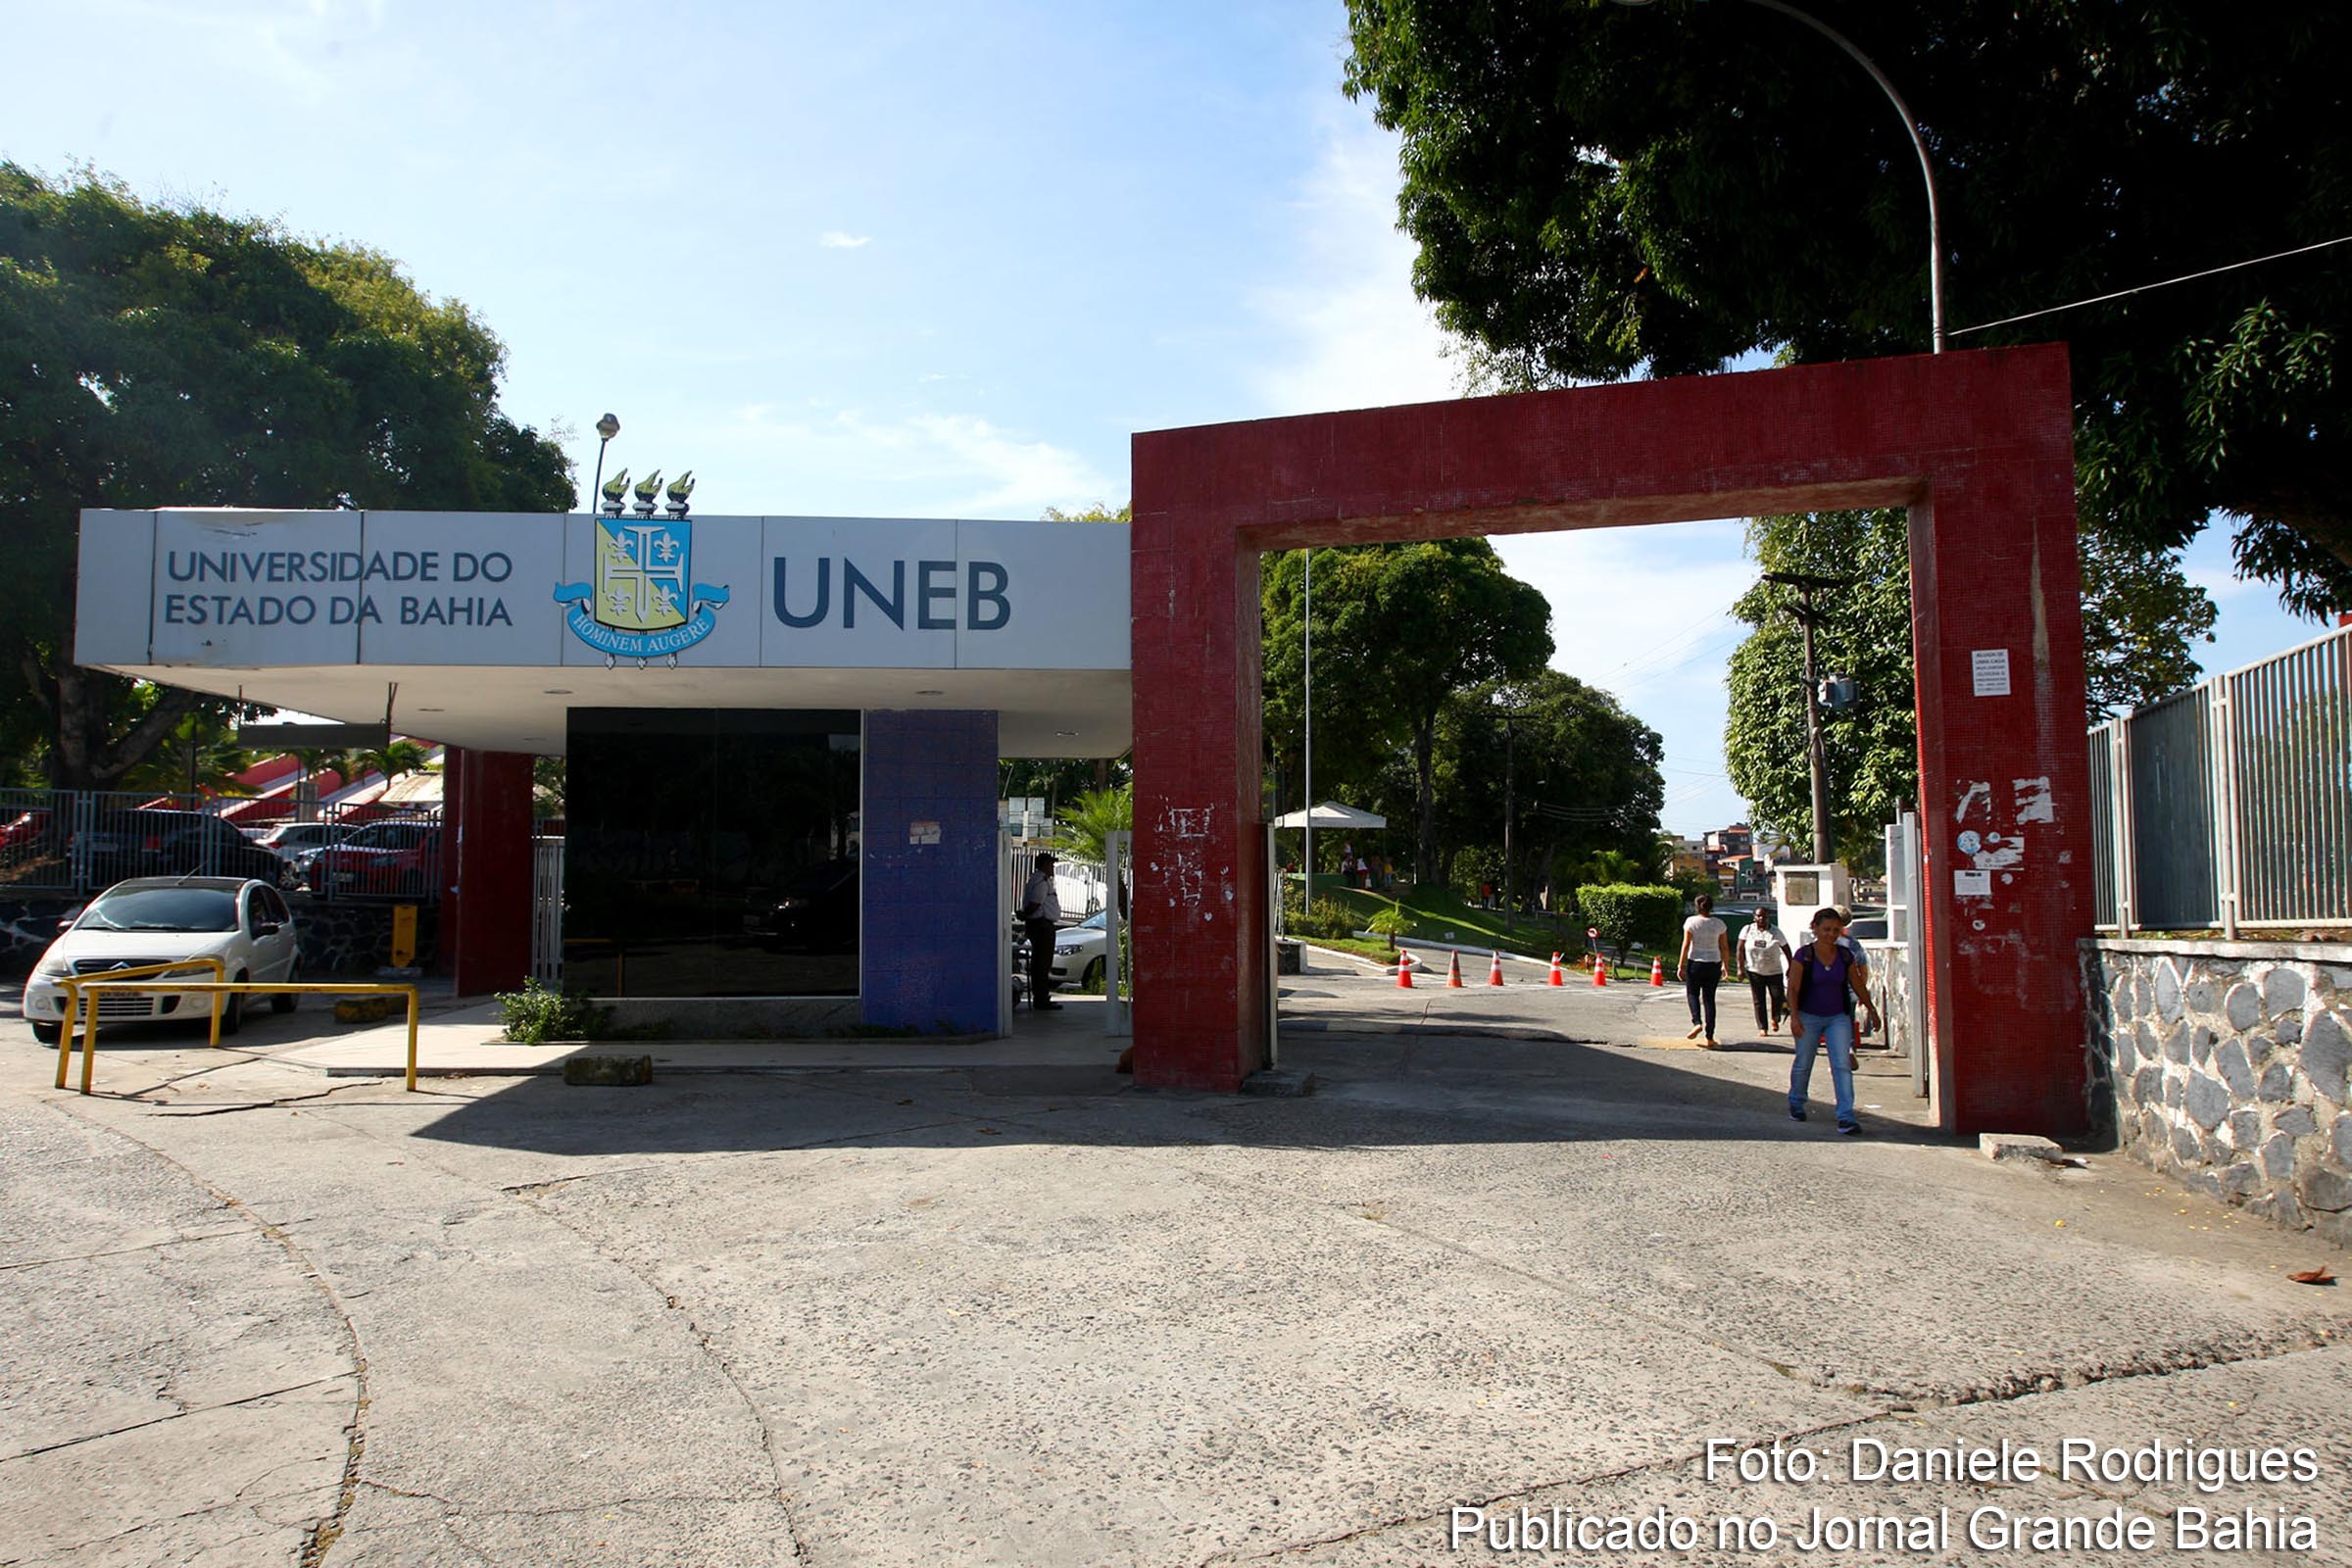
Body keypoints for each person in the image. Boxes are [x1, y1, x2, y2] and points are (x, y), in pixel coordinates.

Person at [1788, 906, 1882, 1134]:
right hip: (1808, 1016)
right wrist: (1795, 1017)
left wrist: (1871, 1008)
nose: (1831, 934)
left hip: (1837, 1017)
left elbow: (1856, 983)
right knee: (1804, 1062)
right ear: (1815, 929)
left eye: (1836, 930)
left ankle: (1846, 1116)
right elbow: (1793, 987)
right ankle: (1797, 1101)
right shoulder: (1804, 955)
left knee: (1841, 1065)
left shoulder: (1845, 955)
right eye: (1826, 929)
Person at [1676, 892, 1732, 1048]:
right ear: (1711, 907)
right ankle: (1710, 1037)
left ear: (1697, 907)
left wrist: (1681, 965)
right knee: (1709, 999)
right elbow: (1725, 948)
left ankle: (1697, 1022)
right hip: (1713, 963)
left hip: (1695, 962)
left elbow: (1686, 945)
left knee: (1692, 993)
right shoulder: (1719, 924)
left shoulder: (1691, 922)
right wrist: (1725, 966)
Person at [1737, 906, 1793, 1036]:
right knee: (1758, 1000)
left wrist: (1791, 966)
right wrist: (1740, 968)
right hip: (1754, 970)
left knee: (1777, 997)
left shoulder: (1776, 932)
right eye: (1758, 916)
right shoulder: (1748, 930)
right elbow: (1740, 949)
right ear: (1754, 917)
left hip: (1774, 971)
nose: (1761, 919)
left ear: (1768, 918)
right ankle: (1763, 1027)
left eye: (1764, 916)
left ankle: (1775, 1017)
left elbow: (1786, 949)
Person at [1019, 851, 1062, 1012]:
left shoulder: (1036, 879)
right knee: (1043, 964)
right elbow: (1036, 904)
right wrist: (1025, 914)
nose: (1053, 868)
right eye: (1051, 864)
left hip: (1039, 924)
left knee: (1040, 964)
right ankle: (1042, 999)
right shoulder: (1042, 882)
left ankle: (1042, 997)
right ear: (1044, 865)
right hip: (1042, 925)